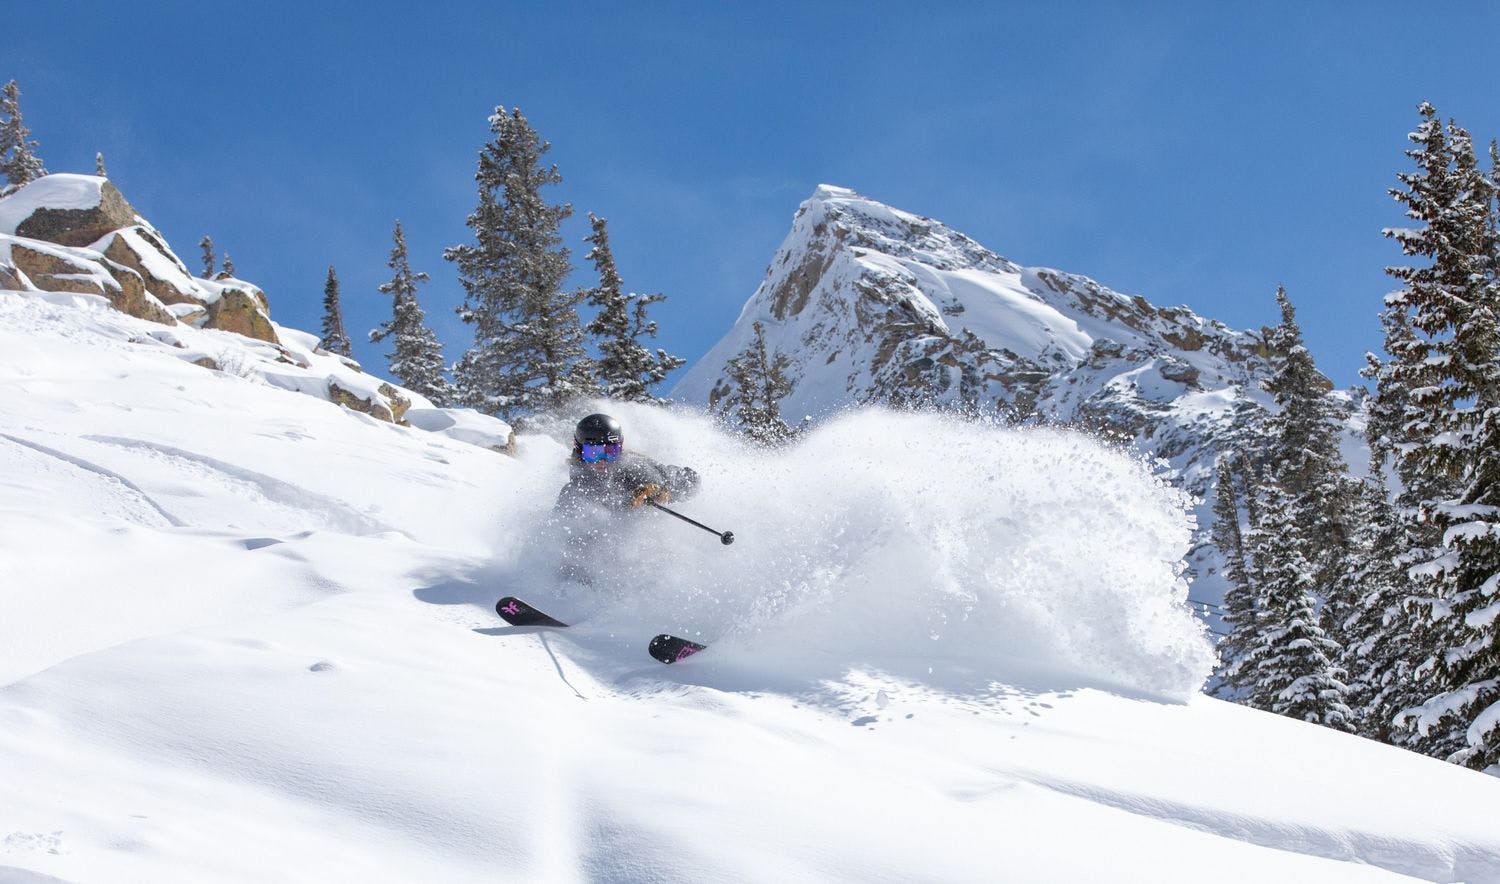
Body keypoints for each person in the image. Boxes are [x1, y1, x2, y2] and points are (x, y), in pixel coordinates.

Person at [553, 412, 700, 586]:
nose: (602, 461)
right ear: (579, 450)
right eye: (593, 453)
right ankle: (571, 591)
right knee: (574, 535)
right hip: (602, 564)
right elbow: (557, 531)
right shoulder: (574, 490)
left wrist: (664, 491)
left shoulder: (637, 469)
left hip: (643, 554)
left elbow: (691, 479)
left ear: (620, 448)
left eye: (610, 452)